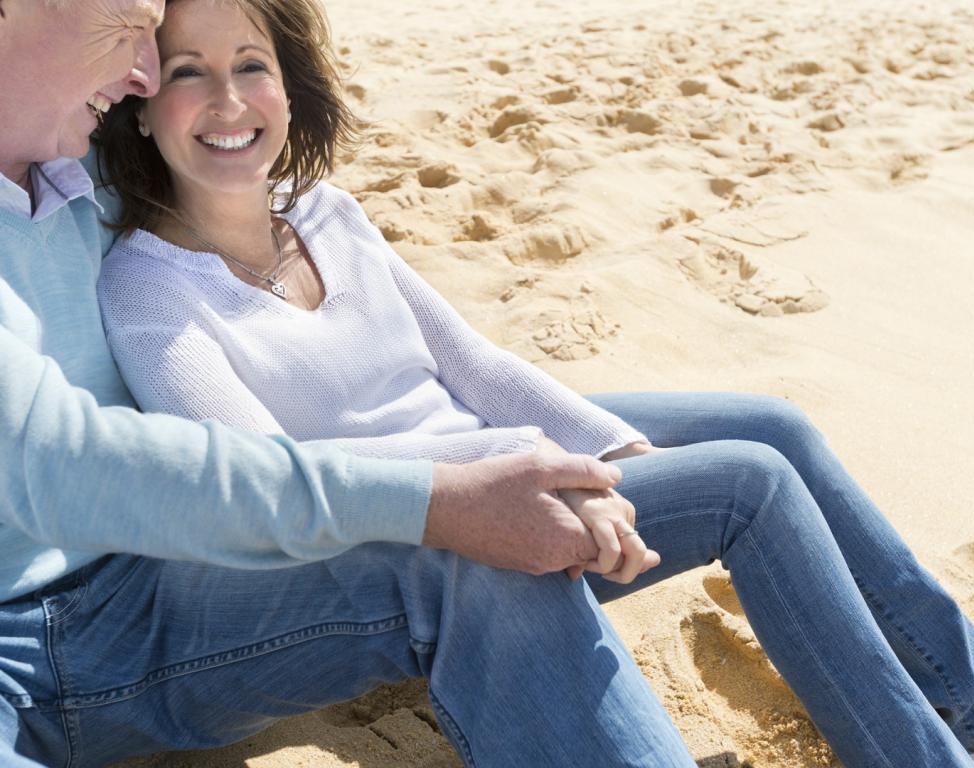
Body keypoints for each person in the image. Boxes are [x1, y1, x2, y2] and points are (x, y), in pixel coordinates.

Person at [86, 0, 974, 766]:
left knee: (771, 425)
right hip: (424, 529)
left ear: (288, 86)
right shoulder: (148, 287)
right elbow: (279, 481)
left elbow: (475, 366)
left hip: (498, 455)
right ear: (138, 102)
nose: (227, 98)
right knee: (749, 483)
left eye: (251, 63)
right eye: (185, 72)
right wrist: (522, 463)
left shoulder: (327, 214)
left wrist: (611, 453)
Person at [1, 1, 700, 766]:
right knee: (454, 527)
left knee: (475, 538)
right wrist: (449, 490)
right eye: (126, 22)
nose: (140, 73)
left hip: (160, 575)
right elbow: (76, 466)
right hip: (33, 643)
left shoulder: (71, 147)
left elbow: (218, 116)